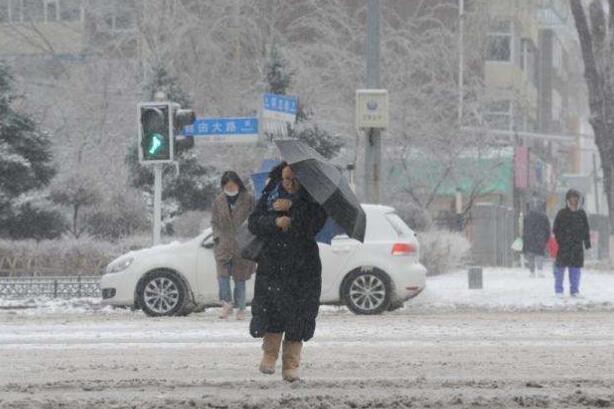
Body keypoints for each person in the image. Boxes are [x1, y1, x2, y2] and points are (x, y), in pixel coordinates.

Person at [247, 162, 327, 382]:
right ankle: (269, 355)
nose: (290, 183)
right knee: (273, 310)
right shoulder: (269, 195)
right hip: (273, 264)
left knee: (298, 316)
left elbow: (315, 224)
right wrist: (275, 220)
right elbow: (254, 223)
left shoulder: (312, 201)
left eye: (294, 179)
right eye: (286, 178)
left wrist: (291, 214)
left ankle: (291, 365)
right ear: (279, 178)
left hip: (303, 267)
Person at [211, 171, 255, 320]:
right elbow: (214, 221)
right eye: (226, 185)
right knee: (222, 277)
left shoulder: (248, 199)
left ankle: (241, 308)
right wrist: (217, 236)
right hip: (223, 244)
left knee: (239, 279)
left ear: (238, 183)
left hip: (241, 245)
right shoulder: (219, 201)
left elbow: (254, 218)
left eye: (232, 184)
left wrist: (249, 235)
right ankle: (226, 303)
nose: (230, 187)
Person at [552, 189, 591, 298]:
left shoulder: (581, 214)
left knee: (575, 269)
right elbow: (556, 229)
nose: (574, 200)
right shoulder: (562, 213)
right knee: (560, 269)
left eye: (575, 198)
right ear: (567, 200)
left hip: (577, 247)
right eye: (571, 198)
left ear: (579, 200)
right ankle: (558, 291)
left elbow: (586, 229)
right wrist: (561, 240)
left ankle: (574, 290)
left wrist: (587, 243)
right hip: (564, 246)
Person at [522, 199, 550, 277]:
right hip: (540, 238)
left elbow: (524, 228)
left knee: (530, 255)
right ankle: (540, 270)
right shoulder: (544, 217)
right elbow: (547, 229)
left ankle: (532, 272)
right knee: (540, 254)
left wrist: (524, 237)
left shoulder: (527, 216)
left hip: (529, 238)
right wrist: (546, 239)